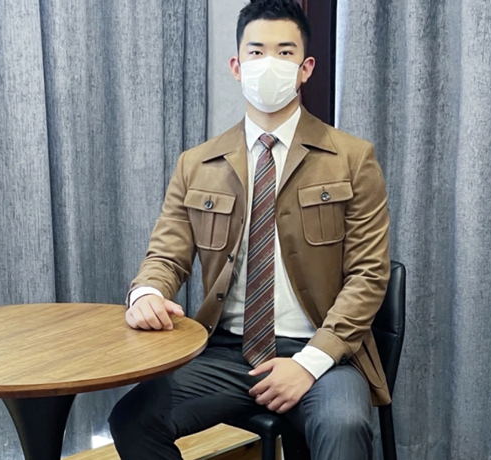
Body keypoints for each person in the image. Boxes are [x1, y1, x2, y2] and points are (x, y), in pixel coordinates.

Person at [109, 0, 390, 458]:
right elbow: (166, 255)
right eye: (257, 52)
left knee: (344, 426)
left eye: (284, 52)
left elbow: (369, 275)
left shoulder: (352, 158)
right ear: (237, 67)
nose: (269, 64)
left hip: (322, 349)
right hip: (225, 350)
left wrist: (309, 363)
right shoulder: (197, 164)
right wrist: (146, 293)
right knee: (132, 420)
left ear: (305, 69)